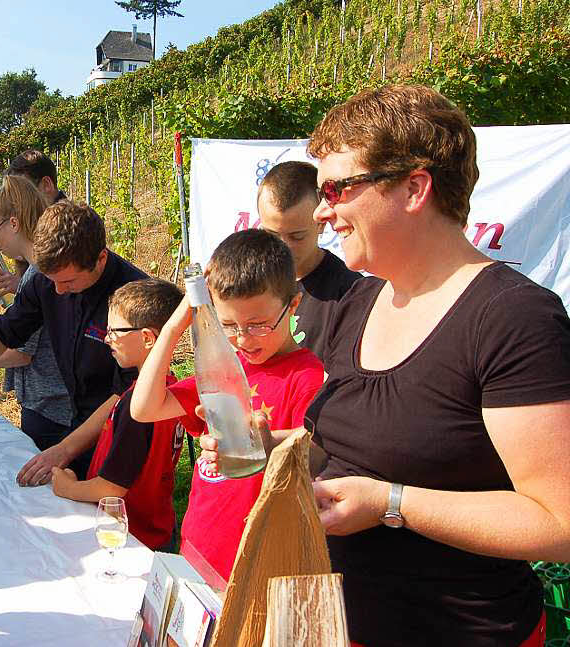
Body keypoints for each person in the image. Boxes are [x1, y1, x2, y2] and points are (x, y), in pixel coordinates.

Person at [206, 85, 570, 646]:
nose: (324, 210)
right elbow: (361, 445)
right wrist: (274, 447)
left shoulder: (511, 318)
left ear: (414, 187)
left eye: (337, 187)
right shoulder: (360, 303)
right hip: (336, 623)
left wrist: (393, 504)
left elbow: (559, 523)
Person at [132, 229, 324, 587]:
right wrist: (176, 325)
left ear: (293, 305)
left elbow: (316, 451)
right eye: (229, 325)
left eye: (259, 324)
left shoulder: (307, 376)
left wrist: (266, 441)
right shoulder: (221, 367)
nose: (243, 339)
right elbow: (143, 408)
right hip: (197, 546)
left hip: (254, 564)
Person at [0, 200, 148, 483]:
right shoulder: (46, 281)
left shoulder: (135, 298)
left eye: (69, 281)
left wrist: (65, 449)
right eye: (52, 280)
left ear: (100, 259)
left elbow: (127, 393)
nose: (58, 291)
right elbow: (5, 330)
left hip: (125, 433)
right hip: (77, 421)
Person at [50, 279, 186, 552]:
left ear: (148, 338)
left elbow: (111, 489)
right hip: (158, 528)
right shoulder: (173, 392)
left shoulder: (138, 406)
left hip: (131, 537)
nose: (106, 338)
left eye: (115, 331)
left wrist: (67, 488)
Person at [0, 174, 75, 449]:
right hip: (53, 402)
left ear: (14, 223)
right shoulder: (36, 272)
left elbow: (21, 353)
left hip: (50, 408)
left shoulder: (37, 275)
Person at [256, 160, 362, 358]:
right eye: (271, 234)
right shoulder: (250, 281)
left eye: (297, 236)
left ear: (321, 223)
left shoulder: (350, 294)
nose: (283, 247)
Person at [0, 150, 68, 299]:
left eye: (25, 190)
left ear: (46, 185)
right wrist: (22, 284)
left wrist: (25, 286)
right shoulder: (37, 228)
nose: (15, 205)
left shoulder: (69, 230)